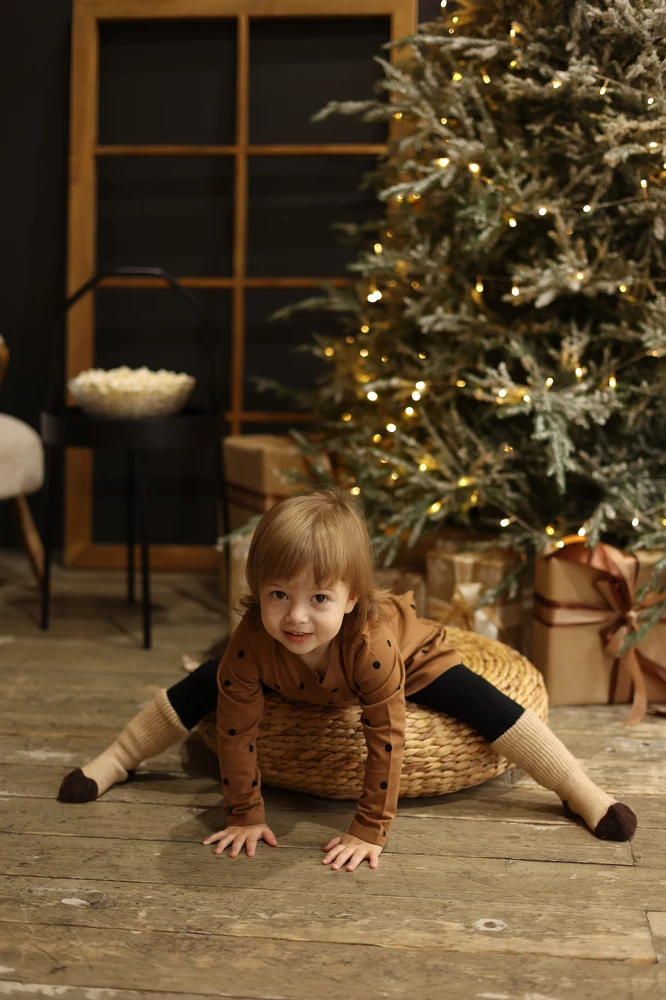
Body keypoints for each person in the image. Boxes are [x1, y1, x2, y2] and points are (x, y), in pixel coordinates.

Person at [58, 486, 637, 871]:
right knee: (205, 682)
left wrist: (369, 829)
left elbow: (386, 738)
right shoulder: (257, 640)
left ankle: (578, 789)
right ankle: (116, 759)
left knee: (477, 699)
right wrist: (245, 813)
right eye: (278, 595)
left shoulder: (372, 645)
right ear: (257, 590)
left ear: (352, 597)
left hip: (408, 658)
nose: (297, 617)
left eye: (319, 598)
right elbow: (234, 731)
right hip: (289, 674)